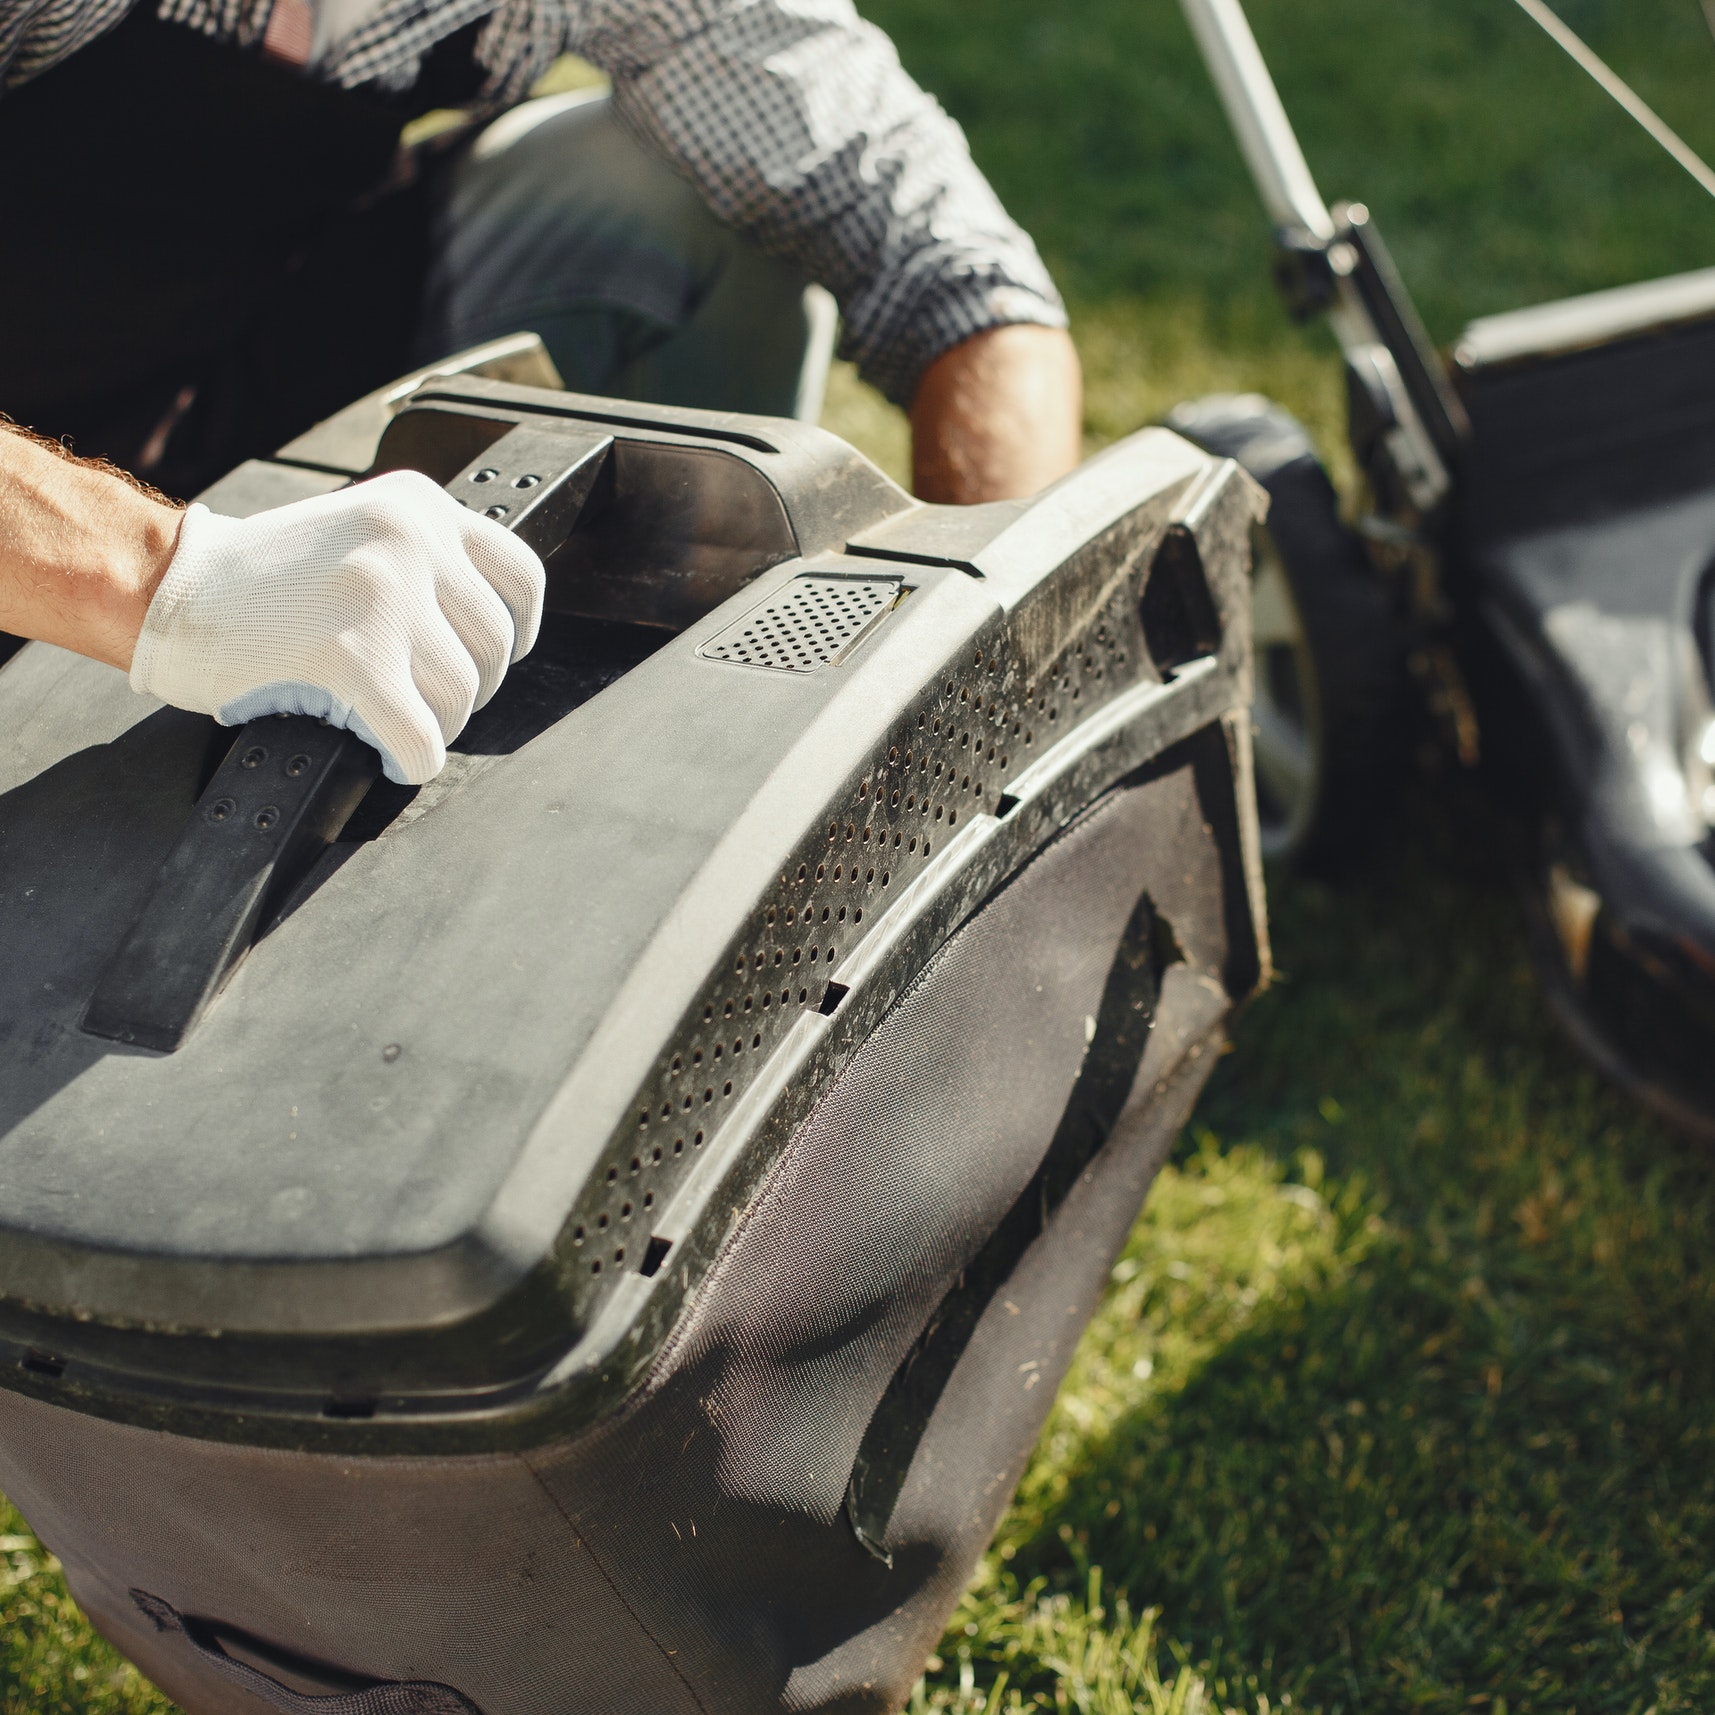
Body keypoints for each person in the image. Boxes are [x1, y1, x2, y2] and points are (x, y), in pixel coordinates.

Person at [0, 0, 1081, 782]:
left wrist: (986, 649)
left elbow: (944, 264)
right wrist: (177, 584)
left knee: (664, 200)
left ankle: (644, 771)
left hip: (225, 364)